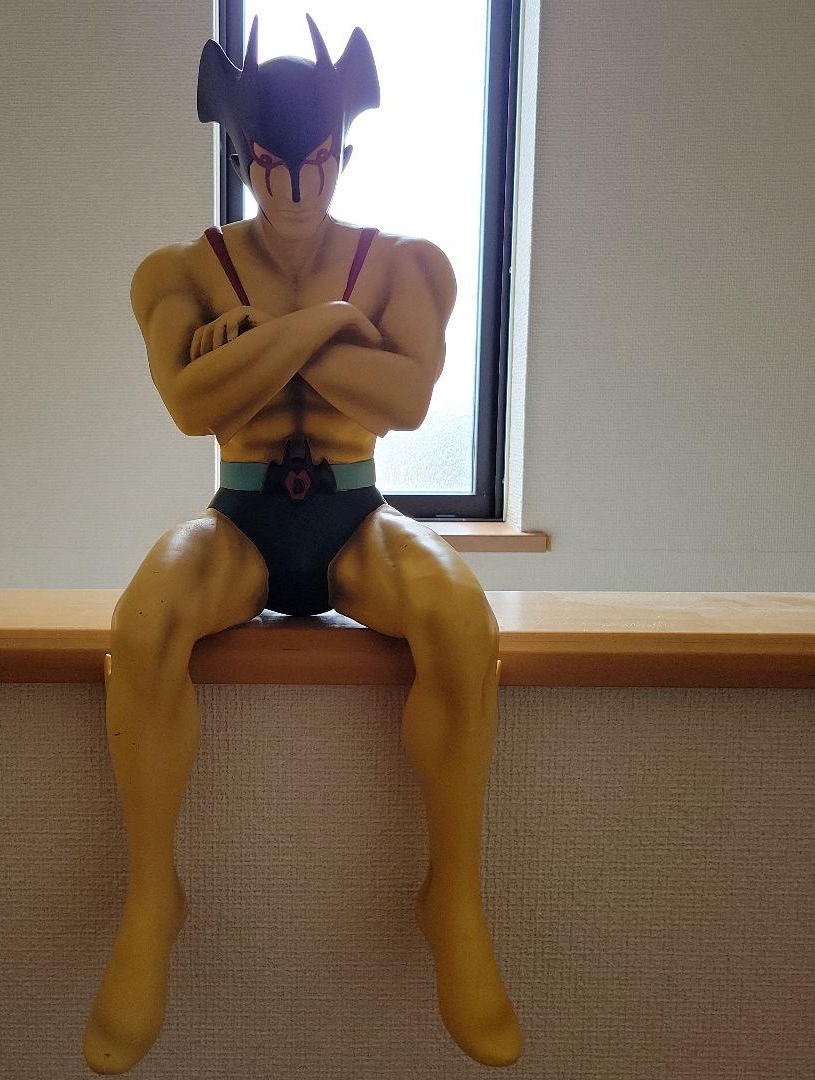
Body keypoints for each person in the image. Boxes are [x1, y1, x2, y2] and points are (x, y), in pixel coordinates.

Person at [84, 16, 522, 1073]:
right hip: (239, 519)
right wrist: (333, 327)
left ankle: (452, 897)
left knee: (462, 617)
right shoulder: (178, 273)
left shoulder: (407, 265)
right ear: (246, 160)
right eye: (273, 166)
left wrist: (268, 345)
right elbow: (192, 406)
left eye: (315, 164)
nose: (293, 190)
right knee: (144, 621)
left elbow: (406, 402)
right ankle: (152, 899)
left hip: (356, 517)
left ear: (342, 157)